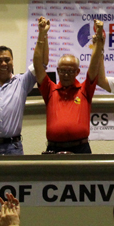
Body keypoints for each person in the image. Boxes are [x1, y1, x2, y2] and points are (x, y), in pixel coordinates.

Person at [34, 17, 105, 153]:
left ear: (77, 72)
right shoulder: (49, 89)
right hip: (53, 149)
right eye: (63, 71)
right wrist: (42, 34)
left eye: (70, 71)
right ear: (58, 71)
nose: (66, 74)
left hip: (81, 149)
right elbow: (37, 65)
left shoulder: (85, 89)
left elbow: (95, 64)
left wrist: (99, 38)